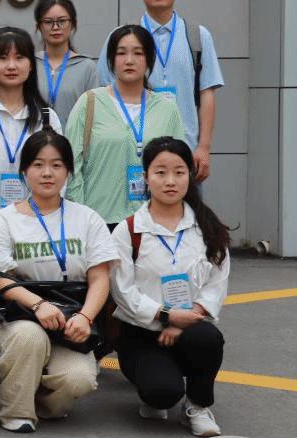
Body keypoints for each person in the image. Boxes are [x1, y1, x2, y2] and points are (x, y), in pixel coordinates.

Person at [0, 130, 116, 433]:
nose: (47, 173)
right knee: (29, 336)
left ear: (68, 171)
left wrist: (85, 317)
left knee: (79, 379)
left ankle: (36, 395)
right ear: (24, 171)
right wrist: (38, 305)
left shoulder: (87, 218)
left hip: (69, 319)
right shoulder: (4, 220)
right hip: (15, 316)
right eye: (38, 164)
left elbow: (100, 277)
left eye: (56, 165)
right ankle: (16, 411)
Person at [110, 136, 230, 437]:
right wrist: (165, 315)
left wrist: (183, 319)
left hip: (190, 325)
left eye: (179, 172)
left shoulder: (208, 227)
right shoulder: (128, 231)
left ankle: (197, 406)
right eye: (160, 172)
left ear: (190, 175)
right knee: (161, 394)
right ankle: (158, 391)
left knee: (208, 339)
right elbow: (122, 292)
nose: (170, 181)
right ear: (145, 177)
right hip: (141, 332)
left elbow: (216, 283)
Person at [96, 0, 225, 182]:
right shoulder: (121, 38)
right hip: (132, 153)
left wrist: (204, 147)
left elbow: (207, 93)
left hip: (185, 153)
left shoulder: (197, 36)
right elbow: (104, 94)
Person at [0, 28, 61, 319]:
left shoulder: (46, 118)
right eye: (2, 57)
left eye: (20, 57)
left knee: (33, 315)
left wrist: (32, 226)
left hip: (37, 239)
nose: (11, 65)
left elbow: (57, 177)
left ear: (31, 65)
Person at [65, 26, 184, 225]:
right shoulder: (89, 103)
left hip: (152, 222)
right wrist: (81, 214)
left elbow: (179, 167)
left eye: (138, 53)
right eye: (121, 53)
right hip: (98, 221)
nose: (129, 60)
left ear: (149, 59)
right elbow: (71, 164)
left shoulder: (167, 109)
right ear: (111, 60)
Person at [32, 0, 98, 124]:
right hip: (34, 135)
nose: (55, 27)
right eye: (48, 22)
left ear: (73, 23)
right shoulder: (29, 64)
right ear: (39, 26)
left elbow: (94, 115)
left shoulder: (87, 67)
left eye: (62, 21)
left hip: (73, 136)